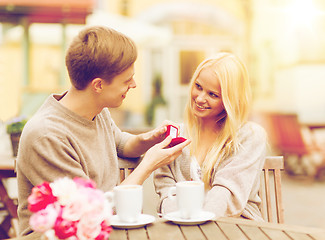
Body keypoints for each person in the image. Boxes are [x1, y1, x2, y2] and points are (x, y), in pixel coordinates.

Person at [16, 25, 191, 236]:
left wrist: (149, 139)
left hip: (108, 229)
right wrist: (149, 165)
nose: (134, 84)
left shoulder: (97, 111)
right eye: (127, 80)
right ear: (98, 85)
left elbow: (120, 144)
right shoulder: (46, 136)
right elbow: (90, 211)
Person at [154, 52, 267, 221]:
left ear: (230, 100)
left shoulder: (249, 136)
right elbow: (166, 188)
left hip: (235, 228)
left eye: (212, 94)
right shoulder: (176, 134)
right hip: (182, 227)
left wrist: (197, 226)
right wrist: (178, 222)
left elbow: (226, 195)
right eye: (198, 86)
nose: (199, 98)